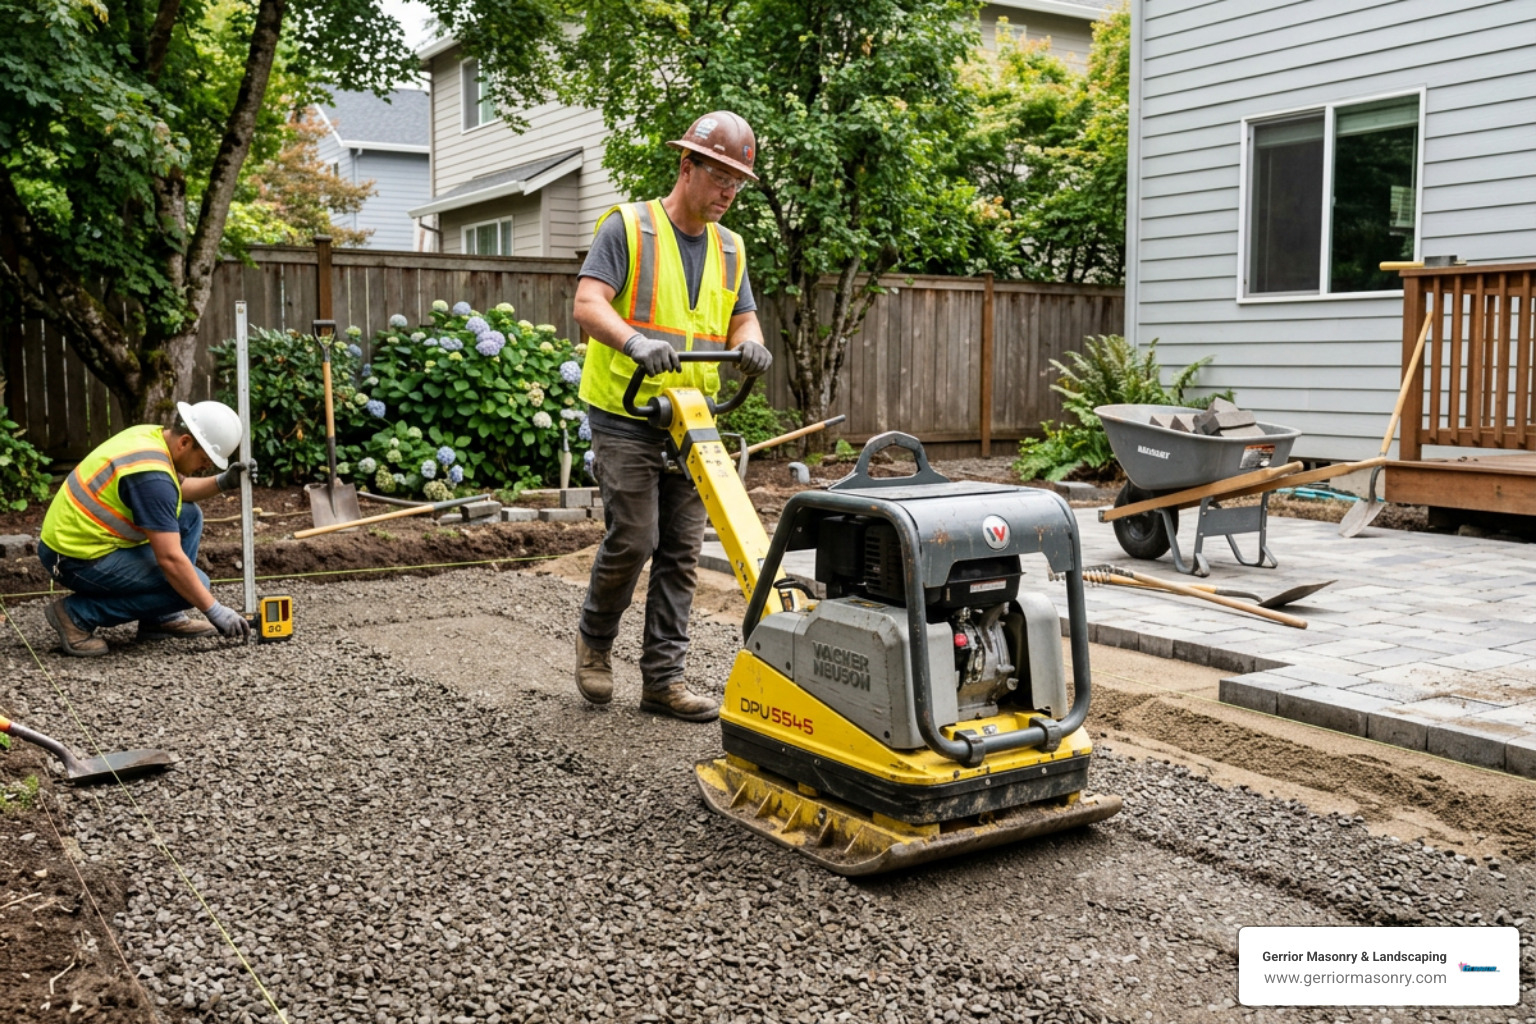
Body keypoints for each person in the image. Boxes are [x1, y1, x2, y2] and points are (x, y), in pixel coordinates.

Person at [573, 111, 773, 722]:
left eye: (738, 184)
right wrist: (632, 342)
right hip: (625, 408)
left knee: (682, 550)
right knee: (635, 537)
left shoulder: (731, 247)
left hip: (693, 415)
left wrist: (752, 343)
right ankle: (595, 643)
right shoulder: (629, 227)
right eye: (720, 179)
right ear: (687, 167)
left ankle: (663, 680)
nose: (728, 194)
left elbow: (742, 318)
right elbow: (587, 303)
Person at [36, 401, 255, 656]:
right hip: (74, 558)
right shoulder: (151, 476)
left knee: (189, 515)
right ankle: (76, 615)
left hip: (83, 540)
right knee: (194, 584)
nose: (206, 467)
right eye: (205, 460)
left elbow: (177, 491)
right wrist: (215, 610)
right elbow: (170, 559)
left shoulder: (152, 438)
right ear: (184, 442)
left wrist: (223, 482)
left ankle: (161, 616)